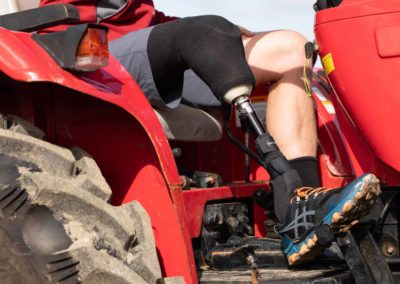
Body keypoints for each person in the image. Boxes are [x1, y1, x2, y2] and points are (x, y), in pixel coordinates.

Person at [40, 0, 381, 266]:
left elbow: (146, 21)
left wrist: (231, 34)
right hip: (86, 48)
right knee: (207, 31)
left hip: (143, 48)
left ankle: (300, 208)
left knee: (291, 49)